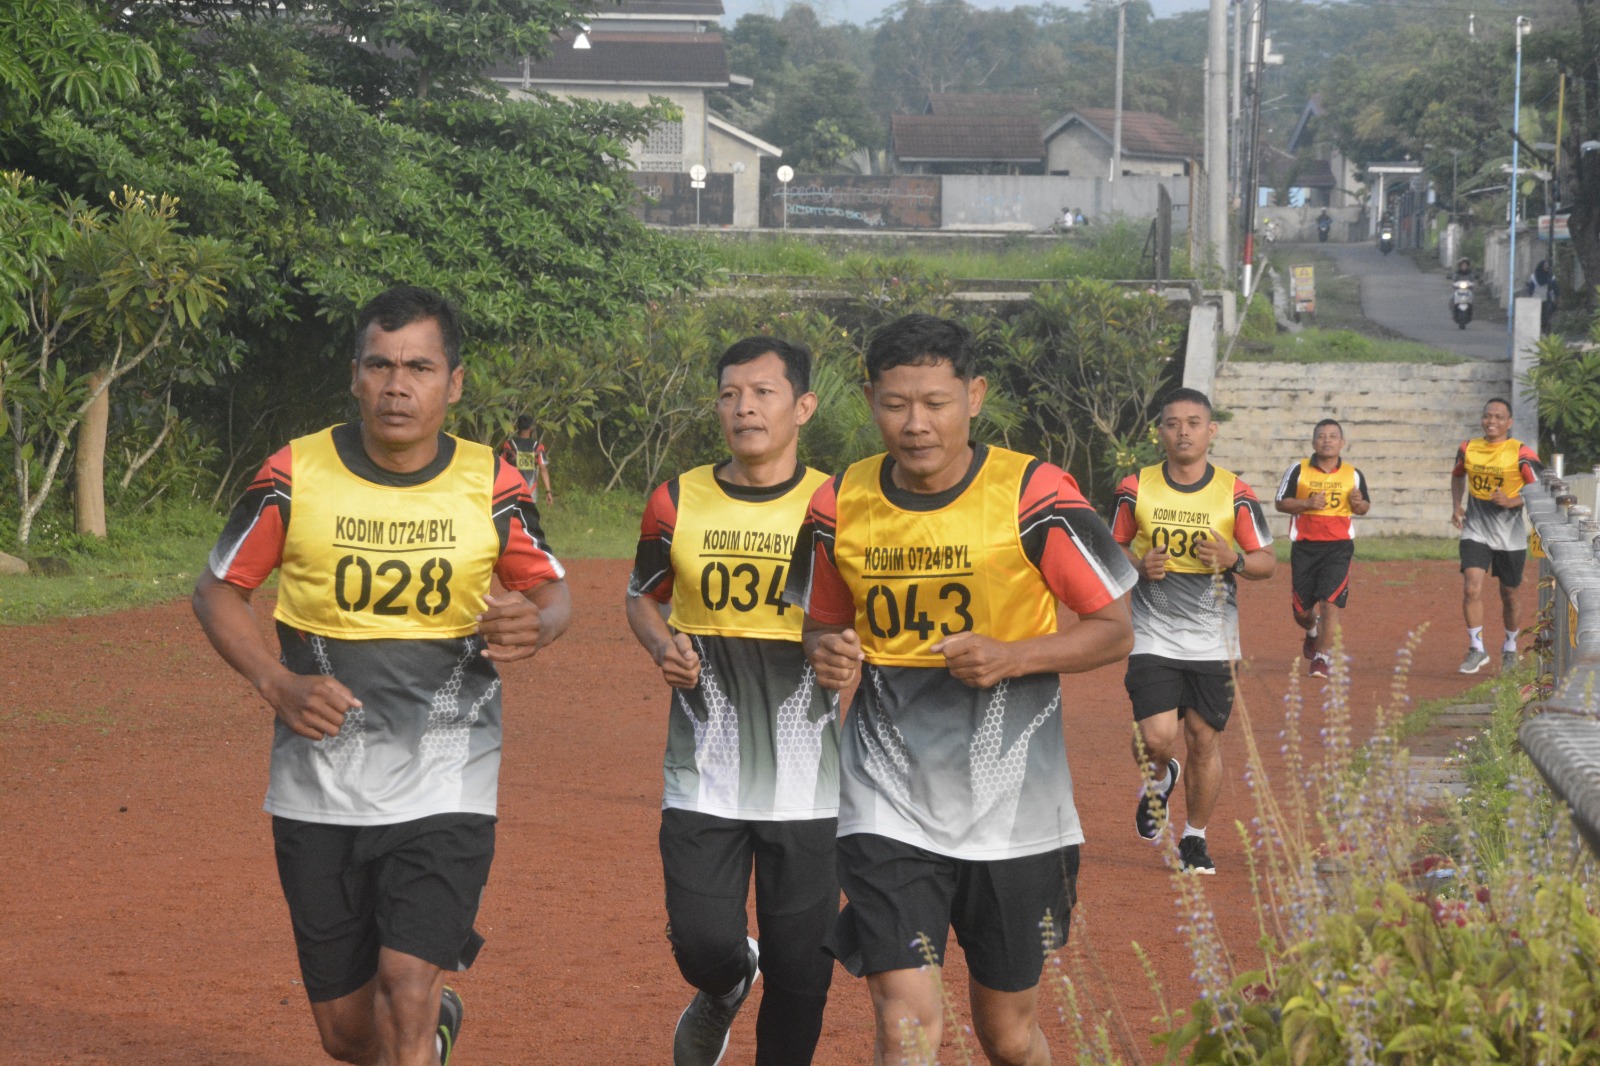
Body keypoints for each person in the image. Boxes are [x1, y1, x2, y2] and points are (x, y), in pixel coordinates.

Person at [192, 286, 572, 1066]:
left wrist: (537, 625)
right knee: (347, 1035)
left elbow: (553, 592)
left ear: (454, 383)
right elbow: (219, 590)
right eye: (382, 366)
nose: (399, 386)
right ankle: (428, 1033)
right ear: (355, 375)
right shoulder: (295, 473)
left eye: (421, 368)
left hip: (448, 779)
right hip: (318, 788)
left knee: (405, 978)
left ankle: (420, 1016)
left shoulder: (493, 482)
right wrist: (276, 682)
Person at [787, 313, 1136, 1066]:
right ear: (871, 399)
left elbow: (1113, 626)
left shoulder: (1034, 492)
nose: (915, 424)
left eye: (936, 403)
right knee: (905, 1025)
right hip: (887, 800)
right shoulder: (837, 503)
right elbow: (820, 629)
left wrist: (1012, 657)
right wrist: (831, 653)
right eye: (895, 403)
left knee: (1007, 1036)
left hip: (1016, 811)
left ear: (973, 397)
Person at [625, 336, 841, 1066]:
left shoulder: (841, 505)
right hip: (704, 765)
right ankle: (723, 986)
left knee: (803, 973)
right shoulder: (676, 499)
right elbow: (642, 599)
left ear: (803, 406)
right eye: (729, 394)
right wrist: (661, 647)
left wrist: (847, 650)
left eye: (762, 393)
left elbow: (869, 615)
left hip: (811, 779)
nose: (743, 407)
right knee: (704, 943)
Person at [1112, 388, 1275, 875]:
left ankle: (1195, 839)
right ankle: (1159, 780)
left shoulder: (1235, 491)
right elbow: (1112, 547)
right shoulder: (1135, 486)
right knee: (1157, 738)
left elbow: (1267, 561)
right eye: (1172, 423)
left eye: (1193, 422)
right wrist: (1140, 565)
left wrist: (1234, 560)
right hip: (1153, 633)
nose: (1183, 431)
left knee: (1204, 739)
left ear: (1211, 431)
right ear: (1160, 432)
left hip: (1214, 639)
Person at [1273, 419, 1371, 679]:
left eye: (1333, 436)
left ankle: (1322, 657)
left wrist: (1359, 503)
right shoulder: (1298, 470)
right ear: (1313, 441)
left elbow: (1363, 509)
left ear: (1342, 442)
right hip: (1305, 547)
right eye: (1322, 436)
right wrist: (1307, 503)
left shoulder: (1353, 474)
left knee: (1330, 602)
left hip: (1338, 547)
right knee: (1302, 613)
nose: (1327, 440)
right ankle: (1312, 632)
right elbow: (1280, 504)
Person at [1451, 397, 1542, 673]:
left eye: (1498, 417)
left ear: (1509, 423)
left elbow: (1540, 490)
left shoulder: (1521, 453)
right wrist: (1457, 505)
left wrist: (1513, 501)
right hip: (1476, 528)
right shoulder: (1468, 448)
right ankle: (1476, 649)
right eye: (1488, 416)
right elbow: (1457, 476)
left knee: (1510, 594)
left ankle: (1511, 646)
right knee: (1471, 586)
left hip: (1510, 535)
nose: (1492, 422)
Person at [499, 415, 554, 505]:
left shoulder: (508, 445)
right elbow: (543, 469)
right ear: (531, 428)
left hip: (511, 491)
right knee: (528, 517)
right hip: (530, 492)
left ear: (517, 427)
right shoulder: (537, 448)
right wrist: (548, 491)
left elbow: (500, 466)